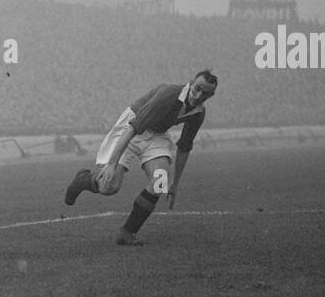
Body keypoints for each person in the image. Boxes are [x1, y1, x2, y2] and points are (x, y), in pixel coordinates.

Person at [63, 70, 218, 245]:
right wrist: (112, 164)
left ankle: (127, 233)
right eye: (197, 89)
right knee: (109, 187)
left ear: (211, 95)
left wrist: (175, 182)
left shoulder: (198, 112)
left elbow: (184, 147)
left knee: (160, 182)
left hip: (157, 134)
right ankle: (83, 180)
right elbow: (133, 128)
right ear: (191, 83)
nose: (198, 96)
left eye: (205, 94)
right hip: (131, 127)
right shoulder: (168, 95)